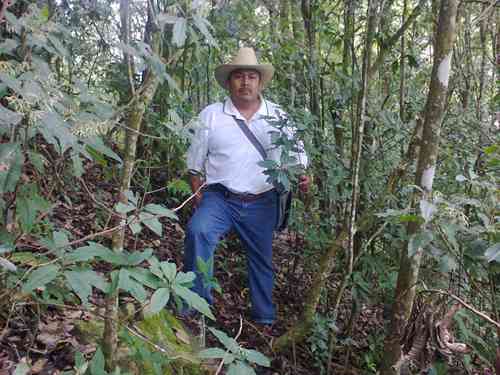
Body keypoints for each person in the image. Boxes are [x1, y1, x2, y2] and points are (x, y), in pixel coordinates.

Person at [184, 47, 310, 325]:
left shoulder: (277, 116)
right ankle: (195, 307)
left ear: (259, 82)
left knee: (262, 260)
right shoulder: (212, 115)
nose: (245, 82)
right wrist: (197, 189)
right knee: (198, 232)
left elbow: (298, 159)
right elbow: (195, 161)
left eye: (251, 76)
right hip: (220, 197)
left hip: (262, 200)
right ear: (229, 82)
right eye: (238, 76)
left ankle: (264, 319)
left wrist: (302, 177)